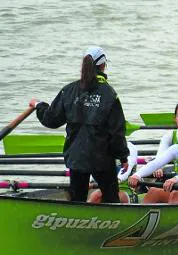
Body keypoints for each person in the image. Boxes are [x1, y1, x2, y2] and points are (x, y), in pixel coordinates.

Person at [29, 46, 129, 203]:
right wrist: (123, 156)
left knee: (77, 200)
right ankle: (111, 222)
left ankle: (76, 222)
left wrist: (39, 105)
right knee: (111, 198)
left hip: (76, 158)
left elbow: (51, 119)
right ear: (103, 66)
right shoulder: (110, 94)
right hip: (102, 159)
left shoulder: (68, 91)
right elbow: (117, 132)